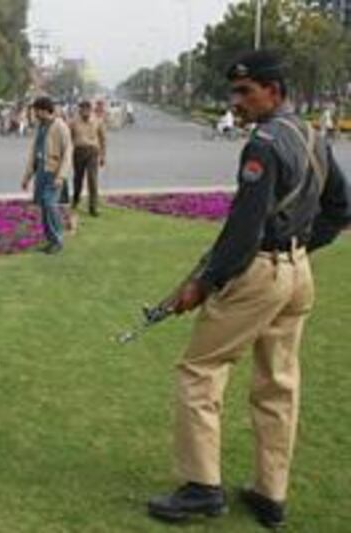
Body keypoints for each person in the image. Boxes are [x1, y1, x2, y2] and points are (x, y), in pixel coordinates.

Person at [147, 50, 351, 529]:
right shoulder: (311, 133)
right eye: (234, 92)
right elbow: (341, 208)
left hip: (260, 272)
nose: (235, 101)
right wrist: (299, 248)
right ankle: (269, 493)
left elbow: (243, 231)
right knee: (278, 384)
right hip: (298, 273)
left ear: (273, 91)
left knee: (199, 371)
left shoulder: (262, 144)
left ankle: (201, 488)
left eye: (245, 91)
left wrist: (204, 282)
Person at [21, 97, 73, 254]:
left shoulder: (60, 126)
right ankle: (50, 240)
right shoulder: (41, 127)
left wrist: (61, 176)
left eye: (36, 110)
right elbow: (33, 154)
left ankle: (57, 240)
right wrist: (27, 176)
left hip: (54, 173)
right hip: (41, 172)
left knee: (50, 204)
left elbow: (68, 153)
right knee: (44, 206)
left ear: (44, 110)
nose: (35, 114)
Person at [68, 100, 107, 216]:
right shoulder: (73, 122)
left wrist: (103, 156)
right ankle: (75, 199)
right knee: (77, 179)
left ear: (90, 109)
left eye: (87, 109)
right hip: (78, 152)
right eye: (82, 109)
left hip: (93, 152)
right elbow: (68, 139)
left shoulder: (97, 121)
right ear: (79, 110)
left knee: (92, 180)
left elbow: (103, 139)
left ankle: (93, 207)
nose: (85, 111)